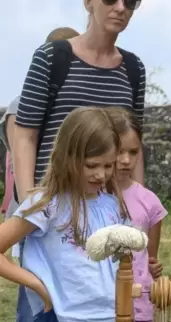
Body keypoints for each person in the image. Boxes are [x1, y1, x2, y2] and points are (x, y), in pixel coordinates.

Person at [0, 106, 132, 322]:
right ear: (66, 157)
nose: (101, 174)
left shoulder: (113, 207)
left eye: (108, 165)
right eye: (92, 165)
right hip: (58, 316)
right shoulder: (46, 205)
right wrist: (36, 284)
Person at [13, 0, 146, 207]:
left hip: (109, 208)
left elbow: (134, 143)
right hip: (53, 204)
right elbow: (25, 137)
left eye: (130, 2)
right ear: (88, 3)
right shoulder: (50, 57)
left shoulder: (133, 68)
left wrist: (139, 204)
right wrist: (29, 205)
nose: (120, 8)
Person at [0, 26, 80, 322]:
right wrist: (33, 203)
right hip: (36, 205)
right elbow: (20, 149)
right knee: (33, 286)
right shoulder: (21, 104)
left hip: (67, 205)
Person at [108, 106, 167, 322]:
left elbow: (150, 260)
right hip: (101, 305)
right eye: (118, 151)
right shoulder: (88, 200)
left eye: (133, 152)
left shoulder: (150, 203)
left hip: (140, 306)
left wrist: (153, 267)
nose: (125, 160)